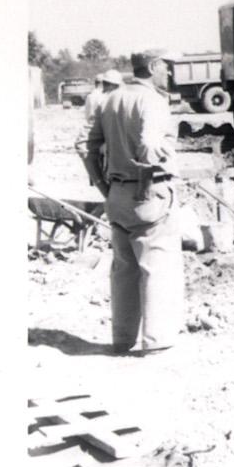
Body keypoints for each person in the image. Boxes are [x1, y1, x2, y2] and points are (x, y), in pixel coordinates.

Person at [82, 51, 183, 355]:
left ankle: (122, 339)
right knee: (157, 266)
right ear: (152, 67)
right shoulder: (153, 100)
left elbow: (86, 145)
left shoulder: (110, 99)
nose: (169, 73)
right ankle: (157, 342)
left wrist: (103, 185)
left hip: (117, 194)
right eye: (166, 67)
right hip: (148, 194)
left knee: (124, 269)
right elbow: (149, 145)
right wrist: (153, 177)